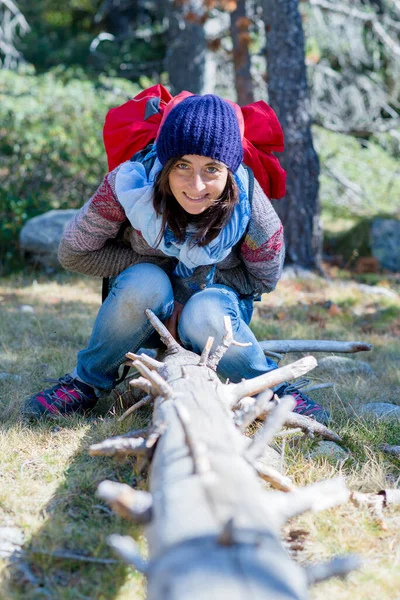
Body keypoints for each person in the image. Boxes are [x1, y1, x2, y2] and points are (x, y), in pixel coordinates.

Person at [23, 94, 329, 424]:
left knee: (204, 309)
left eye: (211, 169)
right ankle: (85, 382)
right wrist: (161, 271)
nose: (196, 185)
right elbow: (74, 252)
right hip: (143, 314)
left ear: (230, 170)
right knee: (146, 282)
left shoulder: (253, 210)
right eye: (182, 165)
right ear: (165, 164)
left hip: (213, 318)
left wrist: (192, 290)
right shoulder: (129, 185)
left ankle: (272, 389)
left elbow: (263, 279)